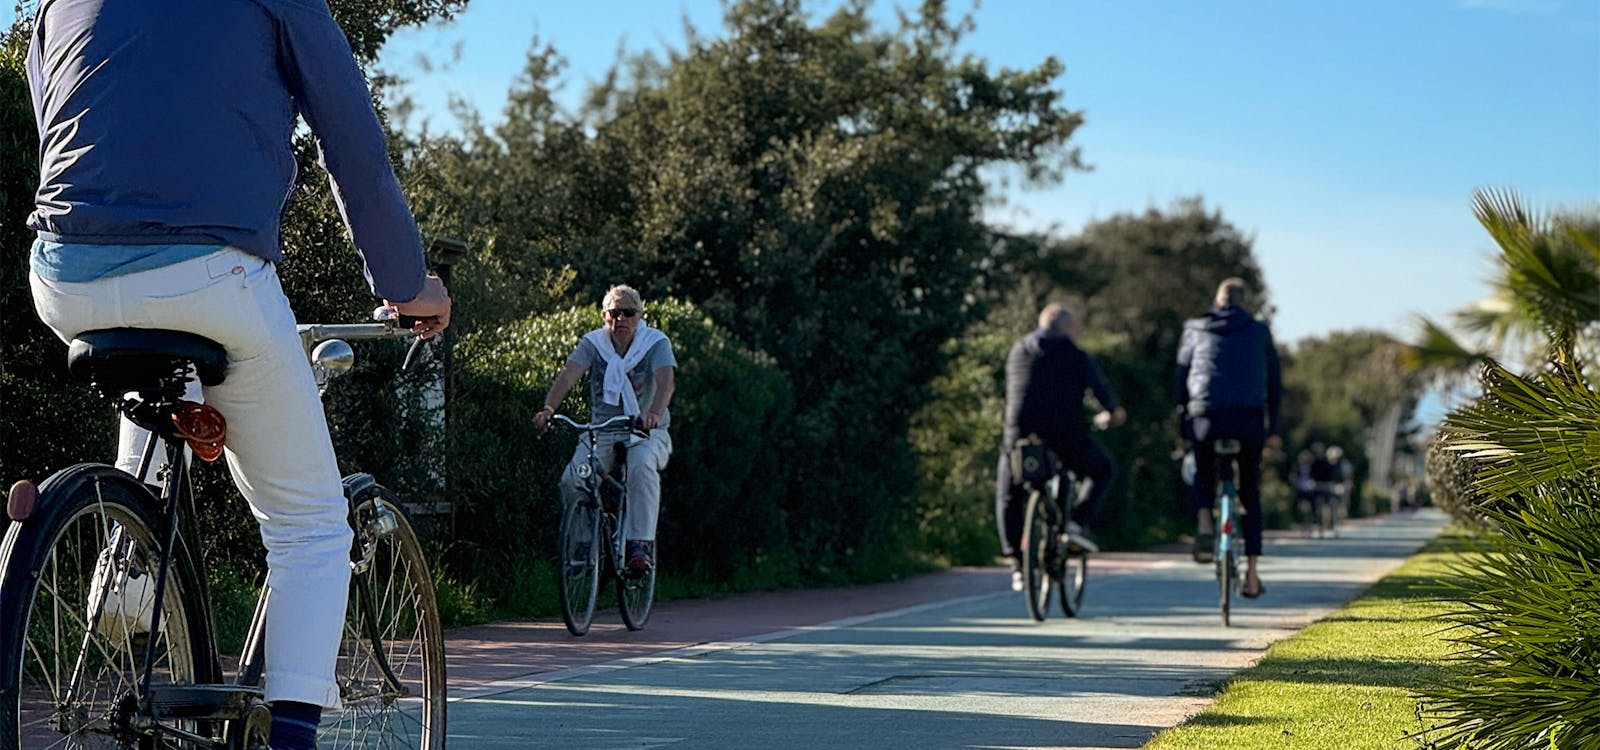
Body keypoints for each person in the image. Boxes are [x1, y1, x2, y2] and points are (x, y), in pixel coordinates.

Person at [23, 3, 451, 748]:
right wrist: (406, 284)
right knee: (312, 528)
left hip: (62, 272)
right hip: (209, 273)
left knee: (159, 374)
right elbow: (351, 137)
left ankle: (125, 562)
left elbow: (66, 117)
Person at [533, 285, 677, 576]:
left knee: (641, 468)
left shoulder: (655, 342)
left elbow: (666, 382)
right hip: (603, 430)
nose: (621, 319)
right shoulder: (594, 343)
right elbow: (569, 374)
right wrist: (548, 408)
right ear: (604, 315)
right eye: (614, 313)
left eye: (628, 313)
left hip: (645, 431)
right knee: (573, 479)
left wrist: (653, 414)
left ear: (639, 316)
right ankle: (583, 547)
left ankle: (639, 546)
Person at [996, 303, 1126, 592]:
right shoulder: (1074, 354)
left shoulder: (1019, 350)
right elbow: (1101, 391)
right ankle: (1075, 524)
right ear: (1065, 328)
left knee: (1009, 493)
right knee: (1101, 470)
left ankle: (1016, 563)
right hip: (1064, 434)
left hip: (1019, 433)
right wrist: (1112, 413)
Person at [1175, 278, 1280, 599]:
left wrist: (1184, 420)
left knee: (1204, 469)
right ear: (1244, 303)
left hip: (1206, 416)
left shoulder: (1194, 329)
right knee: (1249, 488)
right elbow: (1275, 383)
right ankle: (1251, 575)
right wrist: (1271, 429)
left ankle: (1206, 524)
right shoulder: (1260, 331)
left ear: (1216, 302)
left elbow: (1180, 376)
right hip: (1249, 419)